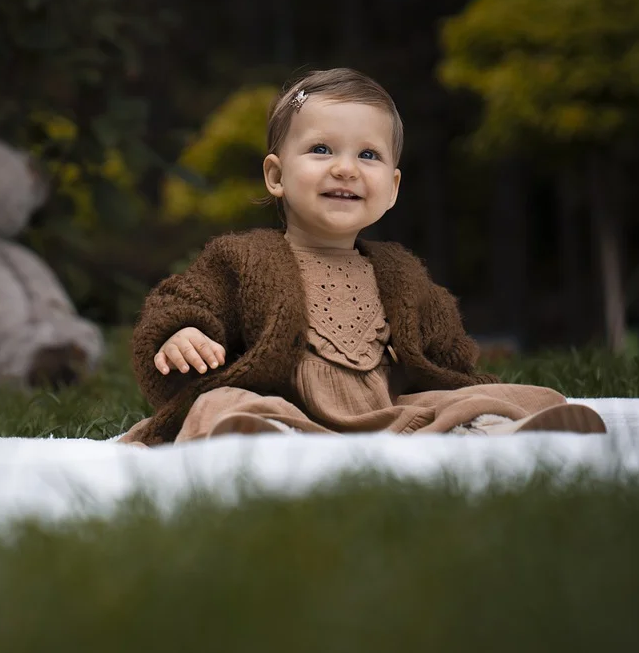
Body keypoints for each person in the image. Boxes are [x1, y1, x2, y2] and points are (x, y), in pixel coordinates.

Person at [119, 67, 607, 447]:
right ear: (276, 176)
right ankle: (263, 443)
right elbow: (183, 300)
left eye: (368, 155)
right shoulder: (243, 258)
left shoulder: (401, 272)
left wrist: (467, 390)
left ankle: (491, 433)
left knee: (494, 398)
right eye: (322, 149)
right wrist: (180, 332)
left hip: (391, 416)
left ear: (392, 188)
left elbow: (448, 353)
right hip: (288, 409)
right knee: (225, 403)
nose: (346, 169)